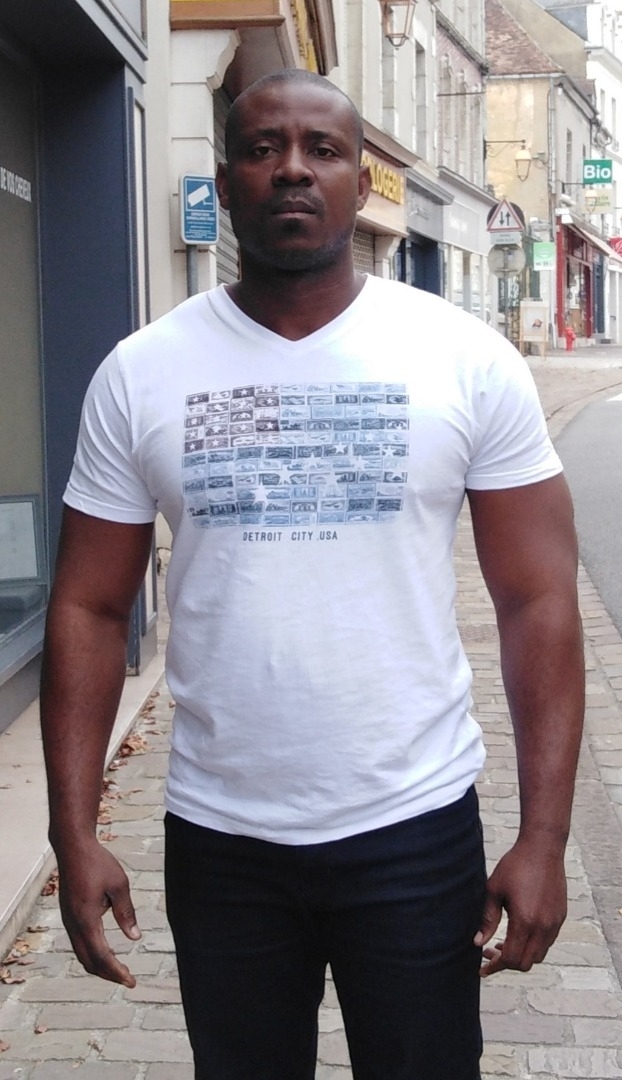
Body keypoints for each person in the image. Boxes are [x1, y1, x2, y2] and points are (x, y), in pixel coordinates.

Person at [40, 70, 585, 1080]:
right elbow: (87, 605)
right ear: (226, 182)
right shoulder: (142, 371)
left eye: (322, 150)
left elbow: (538, 600)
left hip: (414, 824)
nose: (292, 168)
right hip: (221, 836)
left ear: (361, 182)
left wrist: (544, 838)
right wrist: (72, 832)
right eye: (263, 149)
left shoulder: (462, 359)